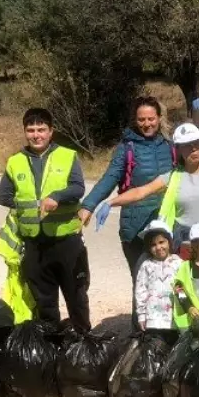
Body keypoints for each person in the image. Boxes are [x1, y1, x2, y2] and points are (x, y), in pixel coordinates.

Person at [0, 107, 90, 331]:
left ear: (51, 132)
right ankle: (50, 346)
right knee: (44, 302)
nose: (36, 135)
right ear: (25, 132)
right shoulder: (15, 161)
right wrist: (31, 205)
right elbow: (3, 196)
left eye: (41, 129)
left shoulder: (67, 156)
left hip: (66, 240)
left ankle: (84, 343)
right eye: (31, 130)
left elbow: (78, 188)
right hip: (34, 244)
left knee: (76, 296)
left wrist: (57, 197)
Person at [94, 123, 199, 260]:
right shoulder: (172, 176)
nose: (193, 148)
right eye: (186, 145)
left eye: (196, 143)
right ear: (178, 149)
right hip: (183, 246)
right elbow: (141, 192)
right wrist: (110, 203)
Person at [78, 95, 175, 283]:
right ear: (135, 120)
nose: (147, 124)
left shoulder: (170, 146)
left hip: (165, 223)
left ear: (159, 118)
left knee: (168, 283)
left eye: (151, 119)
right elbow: (110, 178)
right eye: (141, 119)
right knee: (142, 283)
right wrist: (88, 205)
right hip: (135, 226)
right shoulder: (127, 148)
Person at [133, 219, 181, 345]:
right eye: (153, 245)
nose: (158, 247)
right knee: (155, 349)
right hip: (153, 319)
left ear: (169, 242)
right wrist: (141, 315)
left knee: (173, 349)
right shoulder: (146, 265)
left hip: (174, 319)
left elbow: (185, 287)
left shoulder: (178, 263)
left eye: (161, 242)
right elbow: (140, 291)